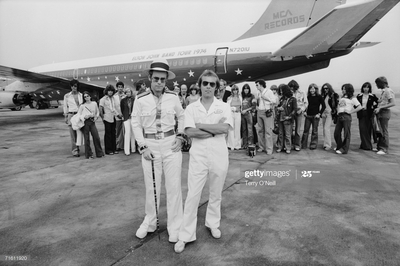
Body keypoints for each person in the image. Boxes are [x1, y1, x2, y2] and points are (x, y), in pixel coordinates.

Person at [174, 69, 233, 254]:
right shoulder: (191, 108)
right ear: (199, 85)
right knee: (193, 195)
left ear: (216, 87)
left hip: (219, 154)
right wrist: (212, 128)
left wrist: (201, 126)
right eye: (205, 83)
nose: (208, 86)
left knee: (216, 193)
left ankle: (213, 223)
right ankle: (185, 234)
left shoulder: (223, 106)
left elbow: (225, 128)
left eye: (212, 84)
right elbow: (190, 132)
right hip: (198, 156)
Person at [131, 59, 185, 242]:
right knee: (151, 188)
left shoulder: (174, 97)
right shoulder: (140, 99)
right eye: (156, 79)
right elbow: (136, 124)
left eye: (163, 79)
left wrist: (180, 136)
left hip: (171, 145)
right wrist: (142, 146)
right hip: (150, 147)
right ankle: (150, 222)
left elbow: (183, 116)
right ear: (149, 78)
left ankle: (175, 226)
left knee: (174, 187)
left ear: (166, 80)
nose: (160, 83)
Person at [334, 84, 362, 155]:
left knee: (346, 133)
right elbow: (339, 106)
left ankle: (344, 149)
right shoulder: (342, 97)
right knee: (336, 133)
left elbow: (359, 107)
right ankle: (339, 146)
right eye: (342, 89)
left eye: (344, 89)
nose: (343, 90)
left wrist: (351, 112)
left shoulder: (352, 98)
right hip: (340, 116)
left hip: (346, 116)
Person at [77, 91, 104, 159]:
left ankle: (99, 152)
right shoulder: (82, 106)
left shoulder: (94, 103)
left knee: (96, 137)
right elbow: (79, 115)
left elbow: (97, 111)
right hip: (86, 122)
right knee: (87, 139)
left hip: (92, 121)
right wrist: (84, 117)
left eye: (87, 96)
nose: (86, 98)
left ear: (90, 96)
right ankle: (89, 154)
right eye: (85, 97)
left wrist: (96, 117)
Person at [374, 76, 396, 155]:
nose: (376, 85)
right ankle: (380, 147)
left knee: (384, 131)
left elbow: (393, 103)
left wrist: (380, 107)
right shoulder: (384, 91)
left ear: (381, 83)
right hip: (381, 112)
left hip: (384, 112)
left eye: (377, 83)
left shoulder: (388, 91)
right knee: (380, 130)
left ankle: (384, 148)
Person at [301, 83, 326, 150]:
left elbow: (324, 106)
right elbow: (304, 104)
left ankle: (313, 145)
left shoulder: (319, 97)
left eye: (313, 89)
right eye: (310, 89)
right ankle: (303, 145)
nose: (312, 90)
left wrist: (319, 114)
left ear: (316, 89)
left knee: (314, 131)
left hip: (315, 116)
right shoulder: (307, 97)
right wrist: (304, 112)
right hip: (308, 116)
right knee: (306, 131)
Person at [63, 79, 83, 157]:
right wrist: (66, 116)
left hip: (79, 115)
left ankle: (80, 147)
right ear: (70, 87)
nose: (74, 87)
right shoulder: (67, 96)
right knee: (72, 134)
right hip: (71, 115)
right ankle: (75, 150)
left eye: (75, 86)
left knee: (79, 133)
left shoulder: (81, 95)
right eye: (73, 86)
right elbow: (65, 106)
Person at [256, 79, 276, 154]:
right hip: (259, 111)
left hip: (266, 111)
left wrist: (266, 98)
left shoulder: (269, 91)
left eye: (257, 85)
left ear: (261, 85)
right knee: (260, 130)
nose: (256, 86)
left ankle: (269, 149)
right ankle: (261, 147)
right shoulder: (258, 92)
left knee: (268, 131)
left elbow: (274, 101)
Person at [356, 82, 379, 151]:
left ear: (370, 88)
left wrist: (373, 107)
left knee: (368, 130)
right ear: (362, 88)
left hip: (369, 114)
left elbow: (378, 102)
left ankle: (366, 145)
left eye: (367, 87)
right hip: (361, 113)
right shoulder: (359, 96)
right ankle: (366, 145)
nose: (366, 89)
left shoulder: (372, 96)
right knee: (362, 129)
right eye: (364, 87)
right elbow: (355, 104)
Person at [276, 84, 297, 153]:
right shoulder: (281, 99)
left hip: (287, 119)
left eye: (282, 90)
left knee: (288, 134)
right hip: (280, 118)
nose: (281, 92)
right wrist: (278, 108)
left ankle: (288, 147)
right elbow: (277, 107)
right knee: (280, 134)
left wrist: (289, 116)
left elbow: (295, 109)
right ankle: (280, 147)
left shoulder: (293, 99)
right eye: (280, 91)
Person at [99, 85, 120, 155]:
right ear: (106, 91)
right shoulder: (103, 99)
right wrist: (103, 118)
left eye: (111, 91)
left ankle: (114, 148)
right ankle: (108, 150)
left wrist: (118, 115)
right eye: (109, 91)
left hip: (113, 117)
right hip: (106, 117)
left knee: (113, 133)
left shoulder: (113, 98)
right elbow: (100, 109)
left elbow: (114, 108)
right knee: (108, 134)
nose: (110, 92)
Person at [288, 80, 308, 151]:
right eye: (290, 88)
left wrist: (301, 110)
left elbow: (306, 103)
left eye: (293, 88)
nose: (292, 89)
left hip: (299, 111)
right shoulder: (290, 93)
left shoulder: (302, 92)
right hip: (291, 111)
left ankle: (297, 145)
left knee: (297, 130)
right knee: (290, 129)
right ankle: (289, 145)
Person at [321, 83, 339, 150]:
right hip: (323, 113)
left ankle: (328, 145)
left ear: (329, 88)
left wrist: (334, 112)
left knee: (326, 128)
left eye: (327, 88)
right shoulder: (323, 95)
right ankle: (325, 143)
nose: (325, 90)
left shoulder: (333, 95)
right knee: (324, 129)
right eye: (324, 88)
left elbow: (336, 104)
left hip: (329, 113)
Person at [121, 87, 137, 155]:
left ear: (131, 93)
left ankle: (133, 149)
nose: (128, 93)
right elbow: (122, 109)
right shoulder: (123, 100)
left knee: (133, 133)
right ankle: (126, 150)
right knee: (127, 133)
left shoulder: (134, 99)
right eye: (127, 92)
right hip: (126, 117)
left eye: (129, 92)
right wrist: (124, 115)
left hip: (133, 117)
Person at [240, 83, 256, 149]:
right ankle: (244, 144)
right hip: (242, 114)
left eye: (247, 89)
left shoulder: (252, 96)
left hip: (248, 114)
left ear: (249, 90)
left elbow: (254, 106)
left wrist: (246, 110)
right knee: (244, 129)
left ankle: (250, 143)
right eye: (245, 89)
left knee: (250, 129)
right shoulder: (241, 96)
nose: (246, 90)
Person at [226, 85, 242, 150]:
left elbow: (242, 106)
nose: (235, 91)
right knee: (231, 129)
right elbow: (227, 107)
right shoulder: (229, 98)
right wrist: (233, 108)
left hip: (238, 114)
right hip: (232, 114)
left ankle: (237, 145)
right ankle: (231, 144)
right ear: (232, 91)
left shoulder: (240, 97)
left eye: (236, 90)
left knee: (237, 129)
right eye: (234, 90)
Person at [114, 81, 125, 152]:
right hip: (118, 116)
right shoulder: (114, 97)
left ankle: (123, 145)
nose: (120, 88)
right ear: (117, 88)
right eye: (119, 87)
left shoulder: (125, 95)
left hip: (125, 116)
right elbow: (113, 107)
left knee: (124, 131)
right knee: (117, 131)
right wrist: (117, 114)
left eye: (121, 87)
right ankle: (117, 145)